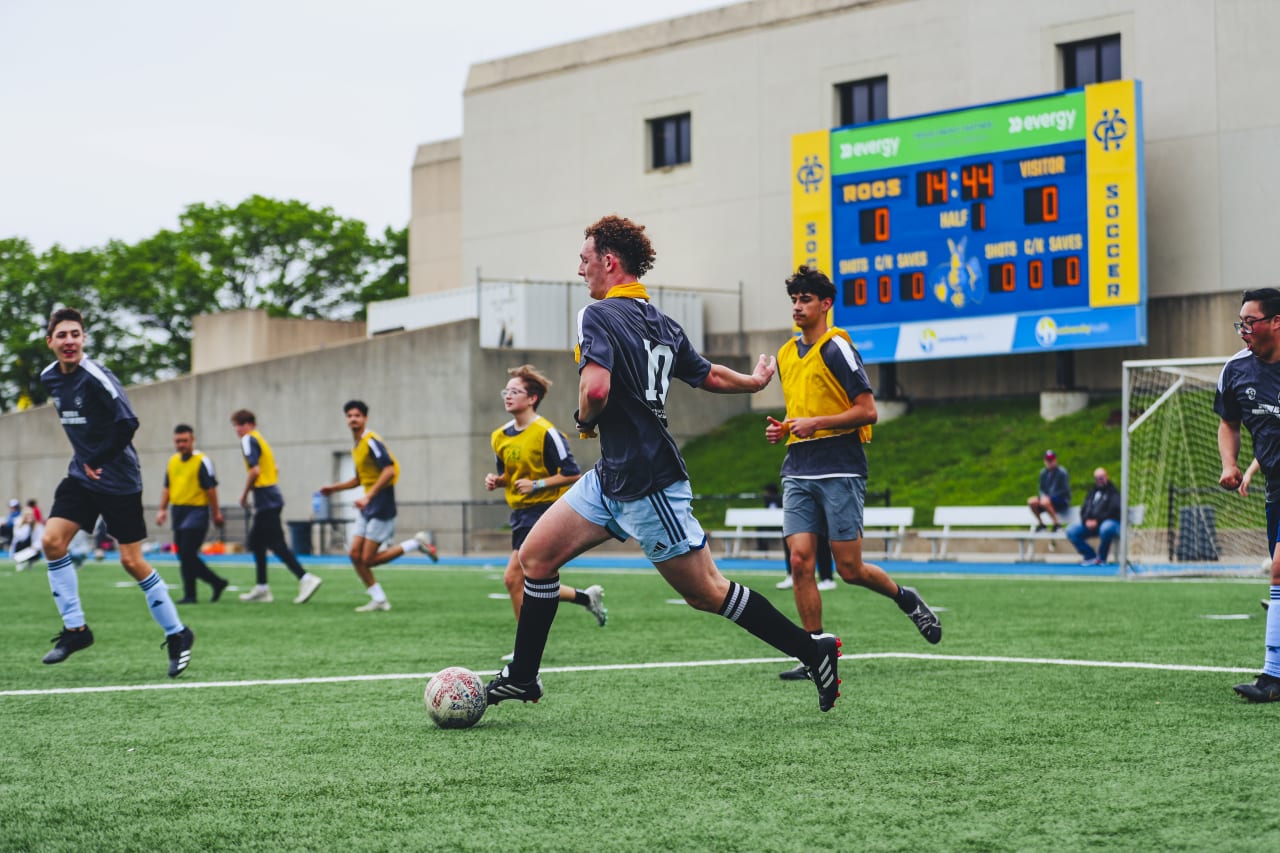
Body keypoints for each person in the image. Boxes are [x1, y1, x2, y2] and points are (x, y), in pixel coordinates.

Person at [485, 215, 843, 713]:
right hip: (612, 476)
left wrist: (584, 418)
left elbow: (595, 390)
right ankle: (524, 677)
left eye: (585, 259)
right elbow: (706, 374)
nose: (580, 269)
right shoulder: (661, 321)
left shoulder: (599, 316)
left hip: (650, 482)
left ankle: (813, 649)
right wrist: (754, 383)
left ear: (609, 262)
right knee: (536, 559)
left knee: (708, 592)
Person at [765, 265, 941, 681]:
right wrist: (784, 428)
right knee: (800, 561)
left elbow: (868, 411)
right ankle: (815, 653)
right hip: (797, 469)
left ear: (826, 304)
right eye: (794, 299)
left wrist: (817, 423)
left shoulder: (837, 347)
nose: (797, 306)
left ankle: (906, 598)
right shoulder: (787, 353)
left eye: (805, 299)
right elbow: (802, 413)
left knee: (849, 570)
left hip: (840, 469)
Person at [36, 307, 194, 676]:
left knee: (131, 561)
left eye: (75, 334)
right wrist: (87, 462)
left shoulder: (96, 376)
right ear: (51, 342)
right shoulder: (49, 377)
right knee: (51, 540)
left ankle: (178, 633)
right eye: (62, 335)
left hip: (119, 479)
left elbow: (129, 422)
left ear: (84, 338)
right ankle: (76, 630)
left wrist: (100, 458)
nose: (69, 341)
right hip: (81, 476)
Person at [486, 364, 606, 642]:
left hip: (543, 511)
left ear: (532, 399)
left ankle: (524, 650)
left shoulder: (547, 433)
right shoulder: (499, 436)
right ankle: (585, 598)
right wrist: (498, 480)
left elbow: (572, 473)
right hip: (519, 513)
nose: (508, 396)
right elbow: (511, 475)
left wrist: (537, 485)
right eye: (507, 391)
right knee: (533, 580)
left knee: (512, 578)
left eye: (515, 391)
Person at [1217, 287, 1280, 702]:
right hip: (1276, 489)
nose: (1243, 330)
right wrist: (1231, 464)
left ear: (1276, 322)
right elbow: (1230, 423)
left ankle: (1272, 677)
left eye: (1250, 321)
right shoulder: (1236, 370)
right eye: (1240, 322)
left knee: (1277, 572)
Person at [317, 400, 438, 613]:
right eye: (350, 416)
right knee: (355, 555)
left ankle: (415, 544)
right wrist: (333, 489)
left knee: (368, 559)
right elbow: (358, 479)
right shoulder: (356, 446)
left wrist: (369, 496)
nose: (353, 419)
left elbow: (389, 470)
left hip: (381, 503)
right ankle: (379, 599)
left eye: (357, 415)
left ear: (365, 418)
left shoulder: (372, 441)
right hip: (368, 504)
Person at [230, 409, 324, 604]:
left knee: (276, 544)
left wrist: (244, 494)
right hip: (271, 496)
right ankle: (262, 587)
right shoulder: (261, 439)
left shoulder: (248, 440)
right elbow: (275, 468)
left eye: (239, 425)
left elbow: (255, 471)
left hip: (265, 497)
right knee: (257, 542)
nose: (237, 430)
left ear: (249, 424)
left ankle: (305, 578)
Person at [155, 424, 229, 604]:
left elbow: (211, 489)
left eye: (184, 441)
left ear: (192, 440)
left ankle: (195, 592)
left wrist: (216, 513)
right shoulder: (172, 461)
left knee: (187, 553)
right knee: (184, 555)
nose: (181, 444)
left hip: (197, 512)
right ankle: (211, 585)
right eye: (178, 441)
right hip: (178, 511)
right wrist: (162, 509)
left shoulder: (202, 461)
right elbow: (168, 487)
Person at [767, 483, 837, 592]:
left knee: (820, 538)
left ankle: (827, 578)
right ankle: (792, 575)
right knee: (790, 535)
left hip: (817, 490)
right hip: (797, 490)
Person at [1064, 467, 1121, 566]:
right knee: (1071, 530)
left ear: (1106, 477)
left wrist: (1097, 521)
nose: (1100, 480)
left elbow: (1114, 510)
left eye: (1102, 477)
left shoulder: (1113, 492)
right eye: (1097, 478)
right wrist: (1086, 520)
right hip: (1090, 525)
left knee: (1106, 528)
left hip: (1108, 523)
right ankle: (1090, 556)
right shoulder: (1092, 492)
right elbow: (1084, 509)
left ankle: (1101, 558)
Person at [1028, 450, 1071, 531]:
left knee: (1045, 501)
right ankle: (1042, 524)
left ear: (1055, 460)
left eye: (1051, 460)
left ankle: (1057, 524)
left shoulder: (1062, 472)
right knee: (1031, 501)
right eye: (1048, 460)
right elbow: (1041, 489)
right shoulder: (1043, 473)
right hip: (1046, 501)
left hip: (1061, 499)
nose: (1050, 462)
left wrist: (1049, 497)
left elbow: (1065, 490)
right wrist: (1043, 496)